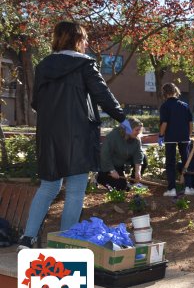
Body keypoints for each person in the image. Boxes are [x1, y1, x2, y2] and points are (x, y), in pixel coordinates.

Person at [18, 21, 130, 250]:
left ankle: (27, 238)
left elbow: (36, 102)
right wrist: (122, 118)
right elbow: (103, 94)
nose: (87, 43)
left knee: (48, 187)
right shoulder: (85, 65)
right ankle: (65, 242)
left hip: (48, 134)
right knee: (76, 190)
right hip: (78, 134)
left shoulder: (43, 66)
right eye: (85, 39)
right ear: (77, 40)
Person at [159, 83, 194, 197]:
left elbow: (164, 123)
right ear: (176, 91)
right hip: (184, 137)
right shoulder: (184, 105)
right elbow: (190, 123)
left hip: (170, 138)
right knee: (186, 162)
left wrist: (160, 135)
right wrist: (189, 135)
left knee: (170, 163)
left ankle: (172, 189)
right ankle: (189, 187)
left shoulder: (164, 106)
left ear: (164, 93)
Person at [97, 117, 147, 191]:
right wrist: (112, 170)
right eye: (136, 130)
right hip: (108, 165)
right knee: (121, 186)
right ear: (128, 129)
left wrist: (137, 171)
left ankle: (134, 182)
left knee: (144, 158)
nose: (138, 132)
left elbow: (138, 154)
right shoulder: (113, 136)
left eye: (139, 130)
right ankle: (99, 178)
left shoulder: (136, 138)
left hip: (122, 162)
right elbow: (105, 154)